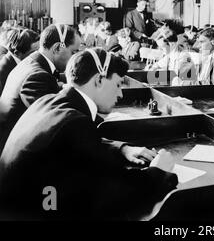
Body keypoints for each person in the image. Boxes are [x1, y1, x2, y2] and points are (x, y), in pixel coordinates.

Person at [0, 48, 177, 219]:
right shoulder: (76, 122)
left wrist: (122, 149)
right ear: (99, 80)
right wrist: (158, 171)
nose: (120, 93)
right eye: (117, 84)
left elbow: (77, 145)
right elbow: (115, 190)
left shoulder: (49, 101)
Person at [0, 24, 81, 152]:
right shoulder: (37, 76)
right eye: (74, 52)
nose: (76, 59)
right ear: (57, 48)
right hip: (16, 152)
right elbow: (58, 121)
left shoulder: (31, 62)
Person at [0, 28, 40, 96]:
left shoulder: (14, 61)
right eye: (33, 52)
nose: (37, 55)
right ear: (17, 53)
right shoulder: (5, 70)